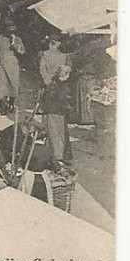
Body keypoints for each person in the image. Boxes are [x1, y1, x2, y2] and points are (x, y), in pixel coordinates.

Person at [39, 35, 73, 168]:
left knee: (48, 123)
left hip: (48, 91)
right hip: (59, 91)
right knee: (58, 128)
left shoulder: (45, 55)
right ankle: (57, 154)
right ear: (59, 44)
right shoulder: (64, 57)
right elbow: (66, 73)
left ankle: (50, 151)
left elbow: (42, 71)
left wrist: (48, 82)